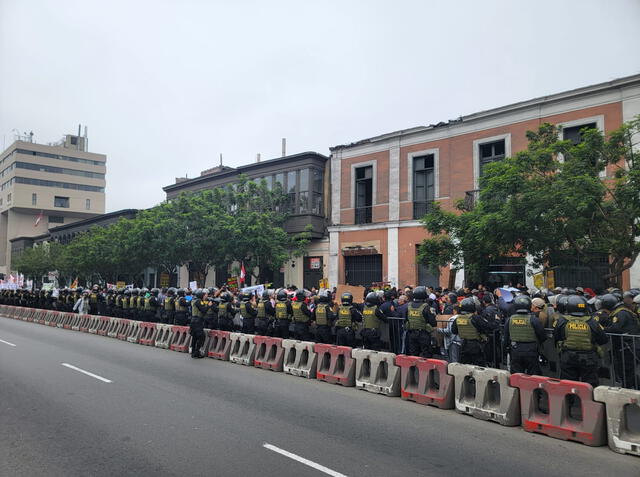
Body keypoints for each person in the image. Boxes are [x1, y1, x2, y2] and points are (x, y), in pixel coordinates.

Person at [554, 295, 608, 387]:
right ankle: (589, 401)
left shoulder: (562, 320)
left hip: (568, 356)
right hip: (589, 357)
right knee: (590, 385)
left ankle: (570, 400)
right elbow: (603, 339)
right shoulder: (591, 321)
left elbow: (557, 336)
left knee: (568, 384)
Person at [604, 291, 640, 388]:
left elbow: (615, 329)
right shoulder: (622, 311)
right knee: (627, 371)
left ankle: (629, 391)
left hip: (627, 348)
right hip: (627, 346)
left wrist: (603, 329)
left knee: (627, 371)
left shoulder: (620, 313)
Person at [503, 296, 546, 375]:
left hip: (515, 350)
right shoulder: (534, 319)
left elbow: (505, 337)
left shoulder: (510, 319)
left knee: (517, 376)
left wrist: (506, 349)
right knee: (533, 376)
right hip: (531, 351)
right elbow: (542, 336)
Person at [451, 297, 493, 366]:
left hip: (463, 345)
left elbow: (454, 331)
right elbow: (487, 327)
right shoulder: (475, 317)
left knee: (464, 367)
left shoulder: (458, 318)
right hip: (476, 345)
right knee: (479, 368)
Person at [405, 286, 437, 357]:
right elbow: (433, 323)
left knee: (413, 354)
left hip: (412, 334)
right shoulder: (426, 307)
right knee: (426, 354)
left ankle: (413, 368)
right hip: (424, 334)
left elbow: (406, 319)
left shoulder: (409, 306)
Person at [189, 289, 208, 358]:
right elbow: (203, 310)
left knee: (195, 337)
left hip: (193, 320)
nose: (205, 296)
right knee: (201, 336)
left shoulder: (193, 300)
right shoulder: (199, 301)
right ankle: (197, 352)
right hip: (198, 321)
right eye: (204, 295)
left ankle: (193, 352)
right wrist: (208, 305)